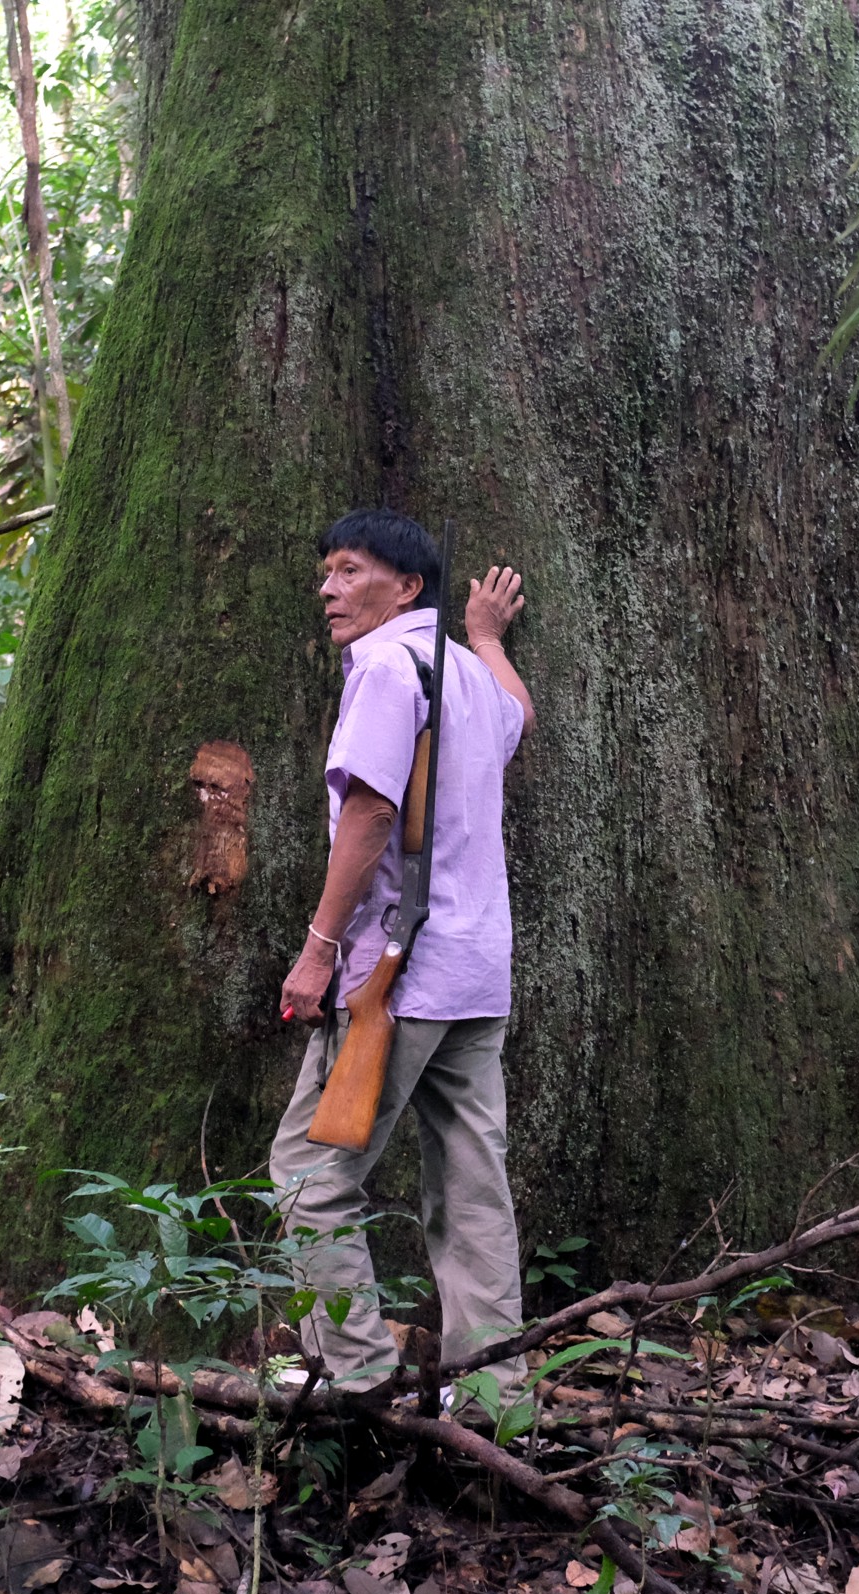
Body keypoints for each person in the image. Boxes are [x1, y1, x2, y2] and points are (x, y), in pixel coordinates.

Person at [269, 508, 536, 1397]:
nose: (328, 590)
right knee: (471, 1185)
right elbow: (516, 715)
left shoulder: (386, 668)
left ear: (405, 586)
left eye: (349, 571)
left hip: (401, 970)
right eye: (328, 572)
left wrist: (317, 953)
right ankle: (497, 1397)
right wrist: (486, 636)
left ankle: (356, 1381)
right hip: (478, 974)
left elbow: (372, 812)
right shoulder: (461, 670)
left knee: (309, 1174)